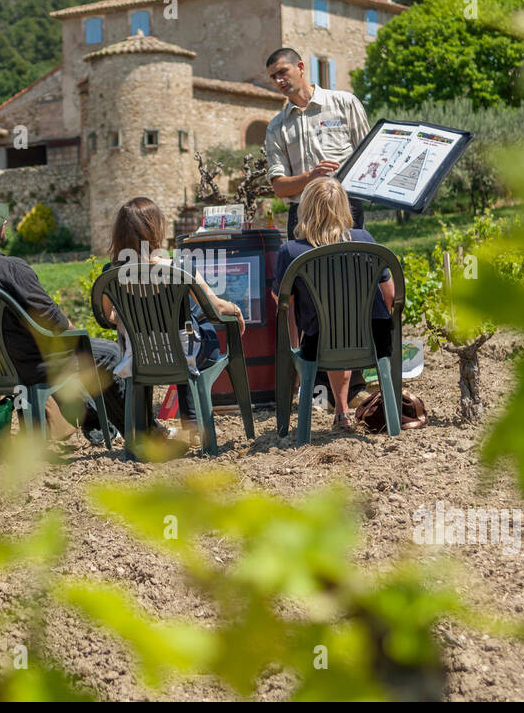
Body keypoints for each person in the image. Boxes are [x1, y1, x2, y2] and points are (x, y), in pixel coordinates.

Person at [0, 192, 123, 442]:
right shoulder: (11, 268)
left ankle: (100, 427)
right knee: (110, 353)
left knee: (61, 353)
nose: (6, 223)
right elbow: (56, 323)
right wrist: (79, 337)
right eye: (1, 219)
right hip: (34, 366)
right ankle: (136, 432)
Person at [100, 197, 244, 425]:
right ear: (156, 229)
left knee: (187, 318)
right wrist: (235, 309)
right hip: (183, 355)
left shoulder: (111, 273)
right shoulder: (179, 267)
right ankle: (193, 423)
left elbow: (105, 317)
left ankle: (143, 429)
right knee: (197, 322)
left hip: (137, 356)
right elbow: (216, 307)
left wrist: (128, 315)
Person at [272, 176, 395, 432]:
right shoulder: (365, 240)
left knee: (329, 328)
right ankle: (343, 411)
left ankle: (340, 410)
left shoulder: (291, 251)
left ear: (304, 209)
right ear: (344, 207)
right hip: (373, 341)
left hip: (320, 346)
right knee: (345, 327)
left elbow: (281, 301)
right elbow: (390, 295)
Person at [263, 47, 371, 239]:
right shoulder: (276, 127)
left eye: (283, 72)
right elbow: (279, 188)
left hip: (345, 210)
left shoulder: (345, 103)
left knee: (351, 268)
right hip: (301, 216)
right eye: (273, 77)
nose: (279, 80)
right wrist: (311, 177)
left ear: (301, 67)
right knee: (306, 270)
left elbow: (370, 157)